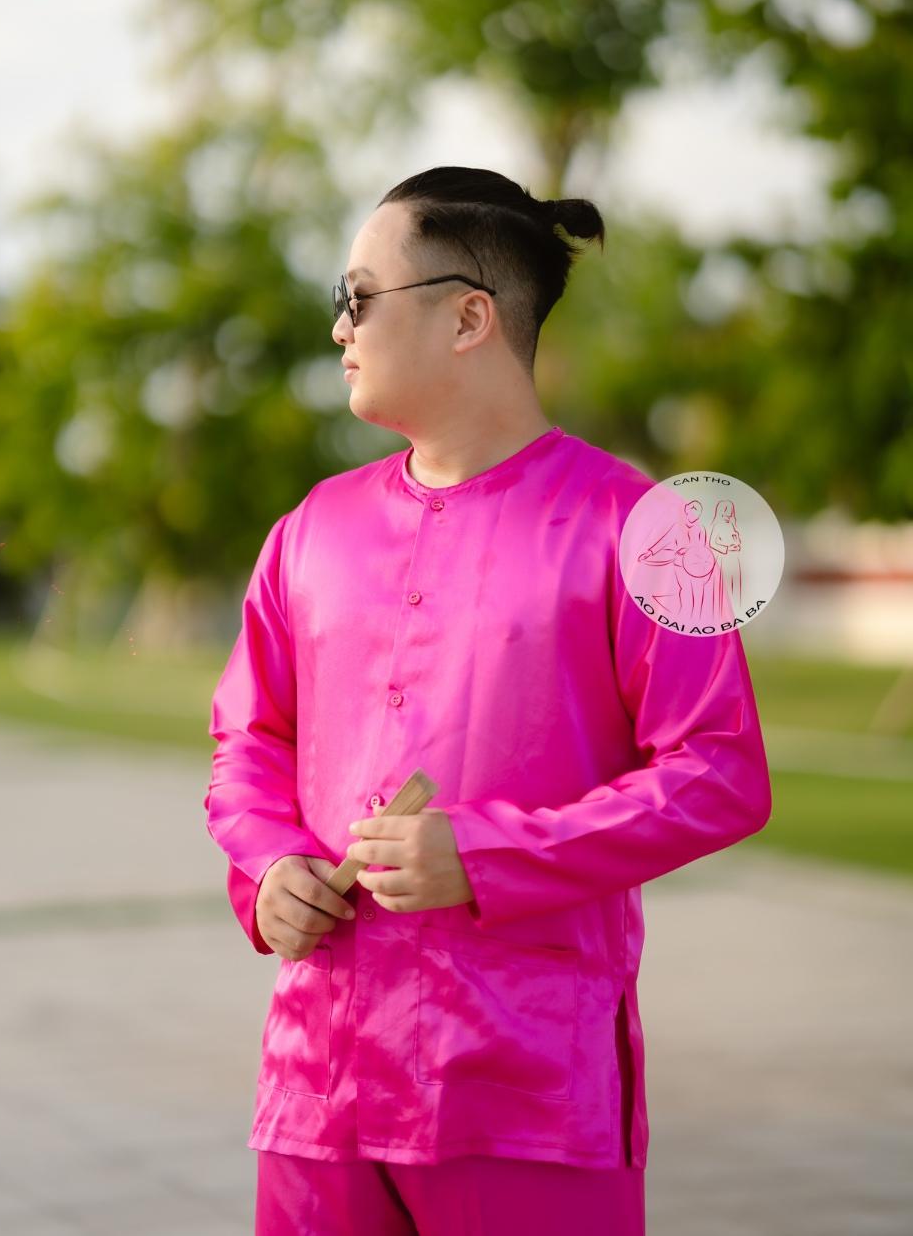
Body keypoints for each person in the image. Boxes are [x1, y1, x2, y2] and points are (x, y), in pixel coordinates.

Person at [204, 166, 773, 1235]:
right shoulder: (308, 529)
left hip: (526, 1091)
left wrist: (484, 853)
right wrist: (270, 866)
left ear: (469, 317)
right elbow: (248, 739)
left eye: (359, 295)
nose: (339, 327)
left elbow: (721, 773)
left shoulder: (652, 530)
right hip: (318, 1085)